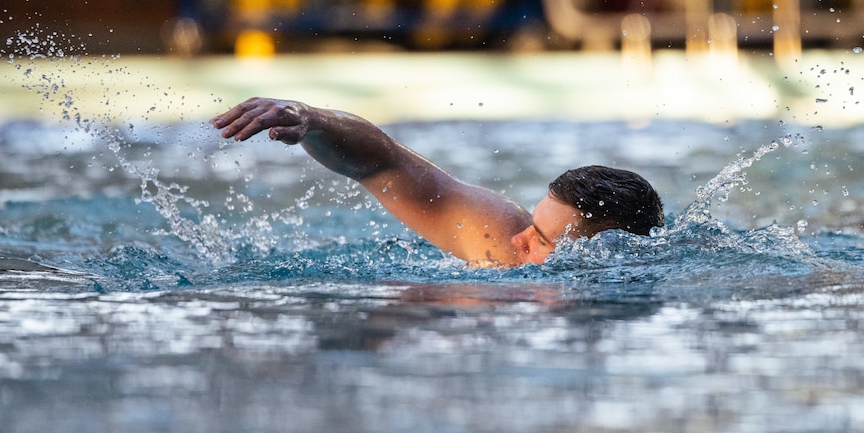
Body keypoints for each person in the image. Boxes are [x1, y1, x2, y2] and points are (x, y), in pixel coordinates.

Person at [212, 97, 663, 267]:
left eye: (540, 240)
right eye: (533, 224)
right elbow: (382, 165)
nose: (519, 237)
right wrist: (311, 120)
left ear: (602, 257)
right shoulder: (501, 239)